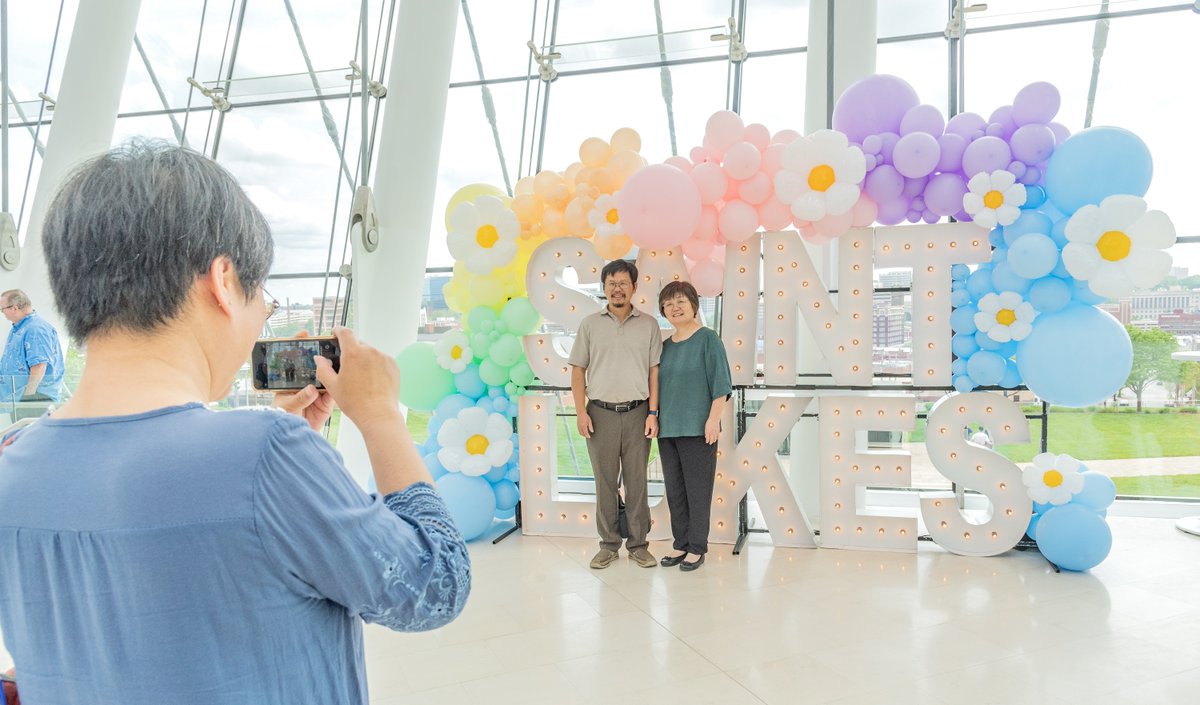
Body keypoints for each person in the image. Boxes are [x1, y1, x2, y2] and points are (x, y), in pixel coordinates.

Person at [0, 140, 470, 705]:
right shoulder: (265, 454)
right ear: (223, 281)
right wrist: (381, 418)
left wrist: (291, 456)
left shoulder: (12, 459)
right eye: (262, 300)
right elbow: (435, 586)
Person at [569, 259, 662, 570]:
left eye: (623, 283)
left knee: (637, 483)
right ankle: (608, 544)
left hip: (638, 414)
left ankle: (639, 545)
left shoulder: (648, 325)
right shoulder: (590, 324)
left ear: (634, 287)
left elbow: (654, 373)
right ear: (604, 288)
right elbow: (578, 370)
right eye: (611, 284)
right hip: (600, 414)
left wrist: (653, 413)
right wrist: (581, 412)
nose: (617, 289)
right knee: (605, 482)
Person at [655, 281, 731, 572]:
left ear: (693, 306)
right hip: (668, 429)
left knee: (698, 490)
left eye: (681, 301)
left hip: (699, 429)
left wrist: (713, 420)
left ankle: (697, 547)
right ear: (663, 310)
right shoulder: (664, 348)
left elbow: (721, 385)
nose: (675, 307)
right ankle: (680, 543)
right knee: (675, 491)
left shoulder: (708, 339)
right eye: (668, 303)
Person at [0, 289, 65, 402]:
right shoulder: (18, 328)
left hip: (35, 398)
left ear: (14, 308)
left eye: (2, 309)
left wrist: (28, 398)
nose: (2, 312)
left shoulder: (35, 329)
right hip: (17, 398)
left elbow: (39, 366)